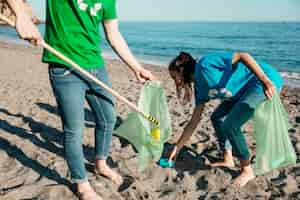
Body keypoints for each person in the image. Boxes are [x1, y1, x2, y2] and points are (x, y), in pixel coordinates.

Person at [6, 0, 156, 199]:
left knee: (108, 118)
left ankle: (100, 164)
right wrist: (21, 15)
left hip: (96, 66)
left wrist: (137, 67)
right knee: (74, 129)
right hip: (64, 68)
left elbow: (114, 35)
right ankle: (82, 184)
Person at [168, 51, 283, 187]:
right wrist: (177, 147)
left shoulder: (205, 64)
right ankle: (228, 158)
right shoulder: (200, 89)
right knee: (217, 117)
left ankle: (247, 170)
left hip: (261, 82)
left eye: (174, 76)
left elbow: (243, 55)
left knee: (231, 125)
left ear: (182, 71)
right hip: (240, 92)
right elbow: (194, 122)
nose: (176, 80)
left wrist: (265, 80)